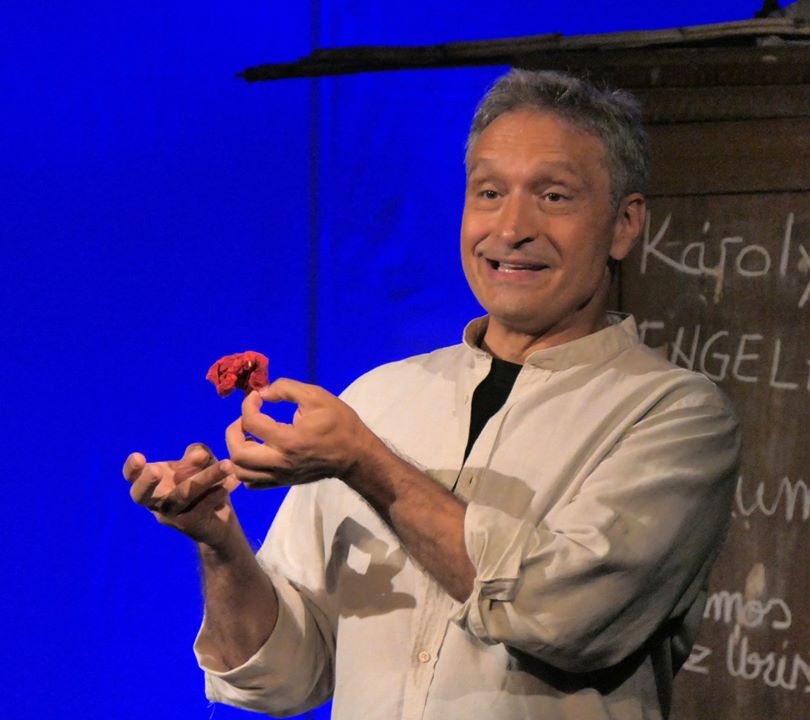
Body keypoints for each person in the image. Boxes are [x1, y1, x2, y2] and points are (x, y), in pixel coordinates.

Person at [123, 69, 740, 720]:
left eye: (554, 196)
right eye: (489, 192)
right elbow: (281, 678)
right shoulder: (378, 399)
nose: (511, 227)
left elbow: (566, 617)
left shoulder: (675, 417)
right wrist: (220, 545)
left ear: (623, 224)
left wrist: (366, 463)